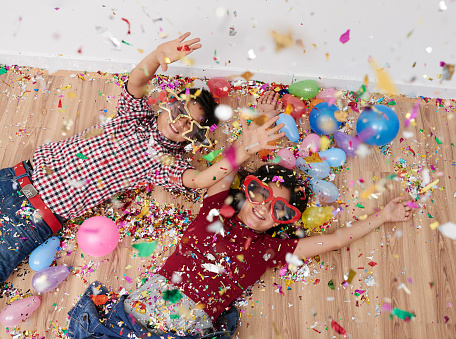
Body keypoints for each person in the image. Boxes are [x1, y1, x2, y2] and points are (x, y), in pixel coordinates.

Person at [0, 32, 285, 283]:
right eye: (179, 111)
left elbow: (200, 179)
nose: (181, 123)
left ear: (193, 139)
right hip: (16, 177)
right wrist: (158, 54)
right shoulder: (133, 118)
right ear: (166, 104)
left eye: (192, 126)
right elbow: (136, 82)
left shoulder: (165, 164)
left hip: (36, 220)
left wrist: (243, 149)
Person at [67, 164, 415, 338]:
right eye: (262, 194)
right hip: (129, 319)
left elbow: (337, 240)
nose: (267, 208)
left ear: (284, 221)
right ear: (247, 191)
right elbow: (227, 167)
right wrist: (255, 132)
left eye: (281, 209)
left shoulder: (272, 249)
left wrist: (383, 216)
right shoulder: (214, 209)